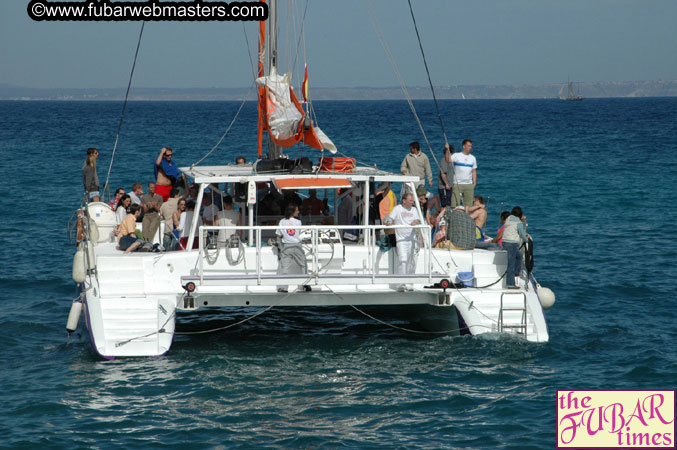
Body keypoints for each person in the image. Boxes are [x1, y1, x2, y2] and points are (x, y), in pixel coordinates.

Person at [385, 193, 422, 290]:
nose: (412, 202)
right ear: (404, 200)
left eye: (413, 200)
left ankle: (410, 282)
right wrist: (388, 221)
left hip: (411, 239)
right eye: (410, 200)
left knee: (411, 261)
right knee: (403, 260)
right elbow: (390, 218)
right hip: (401, 239)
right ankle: (401, 283)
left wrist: (415, 222)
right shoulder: (398, 209)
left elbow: (418, 219)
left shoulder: (414, 210)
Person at [276, 204, 310, 293]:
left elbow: (279, 235)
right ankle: (306, 284)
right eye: (297, 210)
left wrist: (280, 247)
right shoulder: (298, 222)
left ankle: (284, 288)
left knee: (285, 268)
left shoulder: (282, 222)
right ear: (293, 212)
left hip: (286, 247)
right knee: (303, 265)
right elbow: (299, 234)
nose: (298, 212)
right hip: (297, 246)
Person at [502, 206, 528, 288]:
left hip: (505, 242)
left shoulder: (508, 218)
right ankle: (510, 284)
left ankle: (516, 273)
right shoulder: (519, 223)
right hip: (512, 243)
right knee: (511, 263)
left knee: (519, 256)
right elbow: (522, 234)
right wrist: (527, 240)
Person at [451, 139, 477, 207]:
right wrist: (447, 149)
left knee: (468, 205)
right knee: (455, 204)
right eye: (468, 146)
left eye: (471, 146)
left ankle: (466, 217)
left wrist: (474, 183)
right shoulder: (456, 155)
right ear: (463, 146)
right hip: (457, 183)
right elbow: (448, 160)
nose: (470, 147)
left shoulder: (473, 158)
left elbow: (474, 171)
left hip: (468, 184)